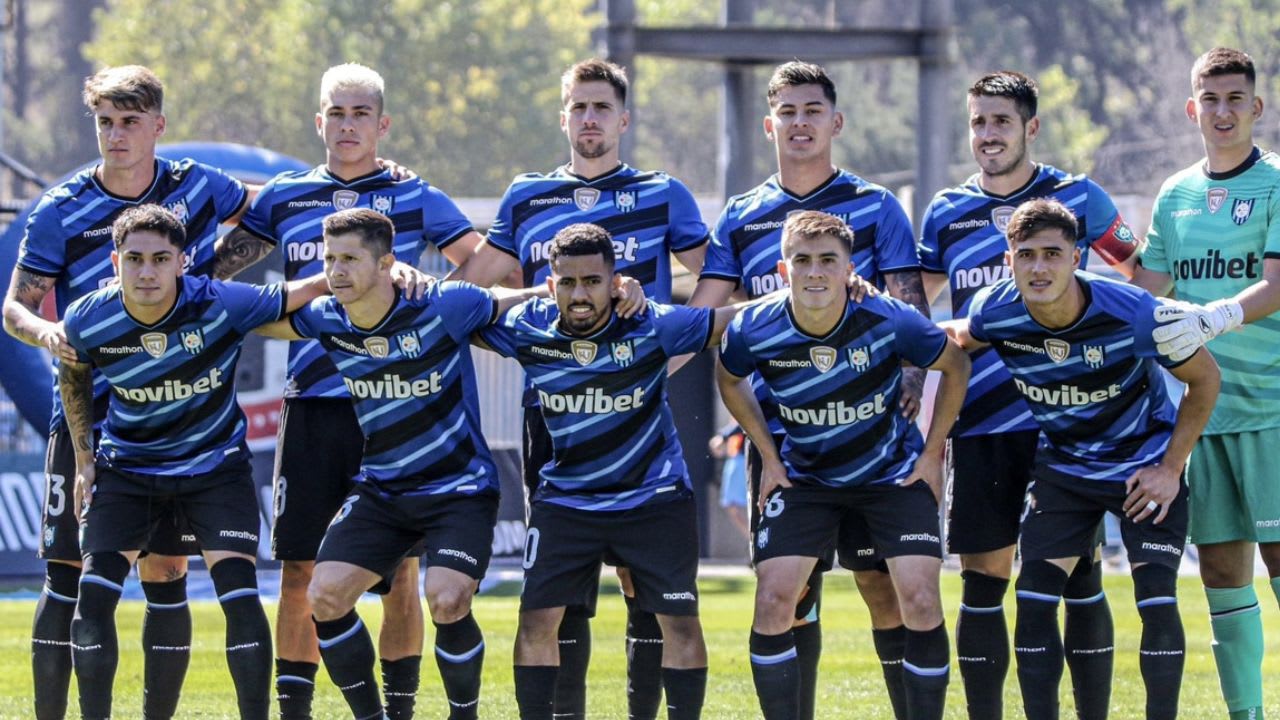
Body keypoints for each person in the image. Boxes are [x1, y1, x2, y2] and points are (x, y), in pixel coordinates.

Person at [448, 57, 708, 719]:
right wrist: (542, 294)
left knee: (640, 579)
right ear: (564, 116)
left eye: (602, 107)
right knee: (560, 587)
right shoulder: (526, 195)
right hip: (554, 412)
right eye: (578, 106)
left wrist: (659, 350)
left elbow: (716, 283)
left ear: (623, 118)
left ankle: (642, 709)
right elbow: (473, 291)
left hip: (637, 404)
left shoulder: (663, 192)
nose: (589, 118)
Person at [215, 62, 474, 719]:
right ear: (319, 121)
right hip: (313, 405)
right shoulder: (285, 197)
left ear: (382, 124)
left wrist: (431, 291)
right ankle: (295, 712)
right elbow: (218, 273)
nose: (349, 124)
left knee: (403, 577)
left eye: (361, 113)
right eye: (337, 112)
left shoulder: (414, 196)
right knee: (299, 570)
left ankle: (401, 709)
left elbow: (483, 261)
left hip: (397, 411)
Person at [2, 64, 254, 720]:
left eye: (129, 122)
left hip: (175, 412)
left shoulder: (198, 184)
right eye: (105, 123)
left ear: (158, 127)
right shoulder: (62, 208)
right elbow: (15, 308)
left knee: (167, 572)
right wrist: (49, 333)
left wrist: (214, 277)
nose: (115, 136)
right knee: (69, 571)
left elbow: (271, 211)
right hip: (88, 408)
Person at [688, 59, 926, 719]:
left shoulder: (877, 208)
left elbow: (910, 312)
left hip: (875, 438)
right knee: (789, 591)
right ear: (769, 124)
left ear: (835, 121)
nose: (799, 123)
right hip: (784, 439)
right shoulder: (743, 216)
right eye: (787, 113)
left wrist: (909, 396)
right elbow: (708, 318)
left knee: (883, 586)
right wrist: (635, 344)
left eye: (812, 111)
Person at [916, 70, 1141, 719]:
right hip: (981, 423)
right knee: (985, 580)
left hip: (1068, 426)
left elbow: (1141, 268)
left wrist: (1123, 357)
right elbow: (918, 305)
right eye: (978, 122)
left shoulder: (1078, 196)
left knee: (1076, 576)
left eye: (1001, 122)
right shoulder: (946, 211)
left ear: (1030, 127)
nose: (988, 135)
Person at [254, 208, 538, 720]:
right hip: (383, 492)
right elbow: (261, 320)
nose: (337, 271)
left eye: (350, 260)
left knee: (446, 598)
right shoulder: (325, 317)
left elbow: (510, 300)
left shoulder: (444, 305)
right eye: (330, 259)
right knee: (324, 594)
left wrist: (596, 292)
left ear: (388, 264)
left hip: (460, 489)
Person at [949, 198, 1220, 719]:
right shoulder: (995, 310)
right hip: (1065, 473)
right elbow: (958, 337)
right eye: (1026, 254)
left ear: (1078, 257)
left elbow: (1205, 380)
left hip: (1142, 469)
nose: (1039, 267)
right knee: (1032, 601)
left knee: (1156, 596)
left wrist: (1170, 468)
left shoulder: (1135, 312)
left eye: (1053, 253)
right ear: (1009, 259)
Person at [59, 205, 330, 720]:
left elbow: (301, 292)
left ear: (182, 262)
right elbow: (72, 378)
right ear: (115, 261)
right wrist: (83, 461)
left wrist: (353, 274)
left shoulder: (220, 301)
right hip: (127, 470)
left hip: (215, 470)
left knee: (240, 597)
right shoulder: (88, 317)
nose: (147, 271)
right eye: (135, 258)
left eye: (161, 258)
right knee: (92, 601)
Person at [476, 223, 740, 720]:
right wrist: (528, 292)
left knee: (680, 624)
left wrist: (816, 293)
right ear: (551, 284)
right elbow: (459, 306)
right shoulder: (528, 326)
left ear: (615, 281)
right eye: (568, 282)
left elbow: (732, 318)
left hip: (654, 499)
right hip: (566, 503)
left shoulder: (652, 324)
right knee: (536, 623)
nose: (580, 294)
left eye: (593, 281)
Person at [717, 210, 970, 720]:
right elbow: (728, 378)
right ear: (783, 267)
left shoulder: (886, 316)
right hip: (806, 479)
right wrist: (767, 455)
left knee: (918, 597)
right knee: (773, 602)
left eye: (828, 260)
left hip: (890, 477)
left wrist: (932, 453)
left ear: (848, 266)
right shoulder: (754, 326)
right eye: (802, 260)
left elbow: (956, 363)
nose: (815, 272)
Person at [1131, 46, 1280, 720]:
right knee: (1222, 571)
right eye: (1210, 100)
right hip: (1203, 411)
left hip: (1273, 409)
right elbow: (1150, 288)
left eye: (1234, 99)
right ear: (1193, 108)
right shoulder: (1175, 193)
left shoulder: (1276, 181)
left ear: (1257, 105)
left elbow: (1277, 284)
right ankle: (1246, 716)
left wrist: (1214, 316)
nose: (1222, 111)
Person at [709, 423, 751, 541]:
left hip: (742, 460)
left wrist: (723, 436)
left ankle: (757, 541)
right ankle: (753, 541)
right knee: (732, 506)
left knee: (745, 505)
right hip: (736, 459)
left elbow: (743, 420)